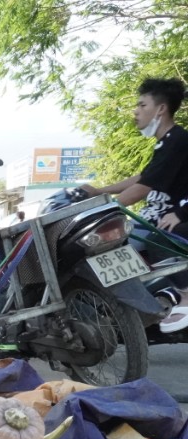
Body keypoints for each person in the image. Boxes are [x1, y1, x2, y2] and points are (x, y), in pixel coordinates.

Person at [78, 77, 188, 332]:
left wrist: (100, 211)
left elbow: (141, 189)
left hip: (163, 220)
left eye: (142, 104)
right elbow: (142, 177)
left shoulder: (177, 141)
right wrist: (100, 191)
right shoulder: (167, 143)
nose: (136, 111)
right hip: (157, 217)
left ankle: (167, 302)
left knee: (107, 251)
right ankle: (142, 310)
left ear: (160, 109)